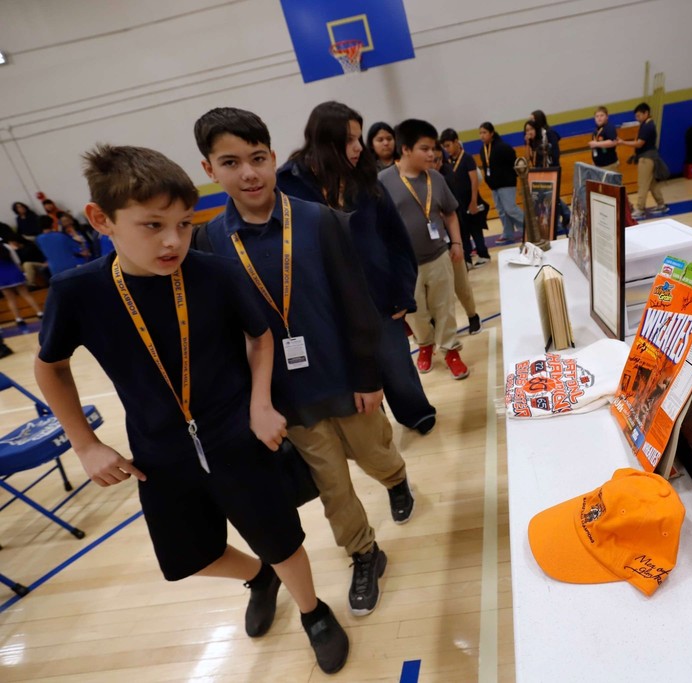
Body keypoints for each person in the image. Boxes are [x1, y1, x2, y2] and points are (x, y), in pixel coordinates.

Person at [34, 144, 350, 674]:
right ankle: (257, 577)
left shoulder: (215, 273)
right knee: (191, 558)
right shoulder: (78, 292)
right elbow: (51, 367)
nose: (172, 241)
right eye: (152, 225)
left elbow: (261, 338)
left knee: (281, 539)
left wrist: (260, 404)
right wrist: (85, 444)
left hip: (236, 436)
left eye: (183, 224)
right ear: (100, 220)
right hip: (158, 452)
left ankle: (313, 611)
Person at [194, 107, 414, 623]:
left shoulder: (319, 221)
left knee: (373, 453)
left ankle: (396, 478)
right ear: (209, 170)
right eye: (231, 162)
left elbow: (357, 304)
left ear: (273, 158)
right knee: (332, 485)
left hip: (345, 377)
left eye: (257, 158)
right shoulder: (209, 242)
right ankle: (364, 552)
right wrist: (259, 401)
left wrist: (367, 375)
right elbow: (229, 334)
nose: (248, 173)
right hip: (291, 396)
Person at [275, 101, 438, 436]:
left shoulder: (365, 179)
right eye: (349, 139)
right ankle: (376, 437)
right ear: (323, 140)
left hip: (379, 300)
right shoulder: (288, 185)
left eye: (359, 138)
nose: (357, 147)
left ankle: (415, 413)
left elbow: (396, 239)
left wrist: (403, 293)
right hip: (326, 308)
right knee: (355, 384)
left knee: (396, 365)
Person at [380, 119, 471, 379]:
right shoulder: (383, 181)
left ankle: (451, 350)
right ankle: (425, 345)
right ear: (406, 149)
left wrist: (456, 243)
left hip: (439, 256)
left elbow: (450, 213)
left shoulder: (436, 178)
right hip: (404, 265)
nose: (432, 154)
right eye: (425, 148)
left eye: (434, 148)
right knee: (416, 312)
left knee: (445, 308)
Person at [433, 141, 482, 335]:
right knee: (439, 292)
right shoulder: (419, 180)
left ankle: (472, 316)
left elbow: (455, 212)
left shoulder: (446, 177)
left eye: (437, 159)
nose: (433, 163)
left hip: (451, 239)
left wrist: (458, 243)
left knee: (461, 284)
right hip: (432, 245)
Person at [439, 128, 491, 270]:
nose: (447, 149)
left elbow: (474, 181)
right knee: (463, 232)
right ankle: (467, 258)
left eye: (449, 145)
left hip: (471, 200)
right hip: (459, 203)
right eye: (445, 147)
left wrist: (473, 201)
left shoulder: (467, 158)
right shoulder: (448, 161)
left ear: (456, 142)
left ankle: (484, 255)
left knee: (476, 229)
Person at [616, 102, 668, 220]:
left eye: (639, 115)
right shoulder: (648, 124)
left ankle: (640, 209)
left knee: (643, 183)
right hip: (651, 157)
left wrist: (623, 142)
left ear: (646, 113)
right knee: (652, 183)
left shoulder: (647, 126)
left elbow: (639, 143)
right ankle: (661, 204)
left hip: (646, 159)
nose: (637, 118)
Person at [477, 121, 524, 245]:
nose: (482, 135)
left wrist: (512, 177)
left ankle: (530, 226)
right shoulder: (483, 150)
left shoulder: (503, 147)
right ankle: (508, 233)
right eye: (480, 133)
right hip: (494, 185)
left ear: (491, 133)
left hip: (506, 183)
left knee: (510, 209)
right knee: (501, 211)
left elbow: (513, 161)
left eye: (484, 132)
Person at [0, 226, 44, 324]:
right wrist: (20, 271)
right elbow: (16, 260)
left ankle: (18, 318)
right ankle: (39, 312)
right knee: (25, 294)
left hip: (1, 276)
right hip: (13, 271)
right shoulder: (6, 246)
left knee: (10, 299)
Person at [587, 106, 619, 170]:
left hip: (608, 164)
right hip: (599, 165)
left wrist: (596, 144)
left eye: (601, 115)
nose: (599, 118)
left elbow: (613, 142)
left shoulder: (609, 128)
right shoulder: (596, 130)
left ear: (607, 117)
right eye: (597, 116)